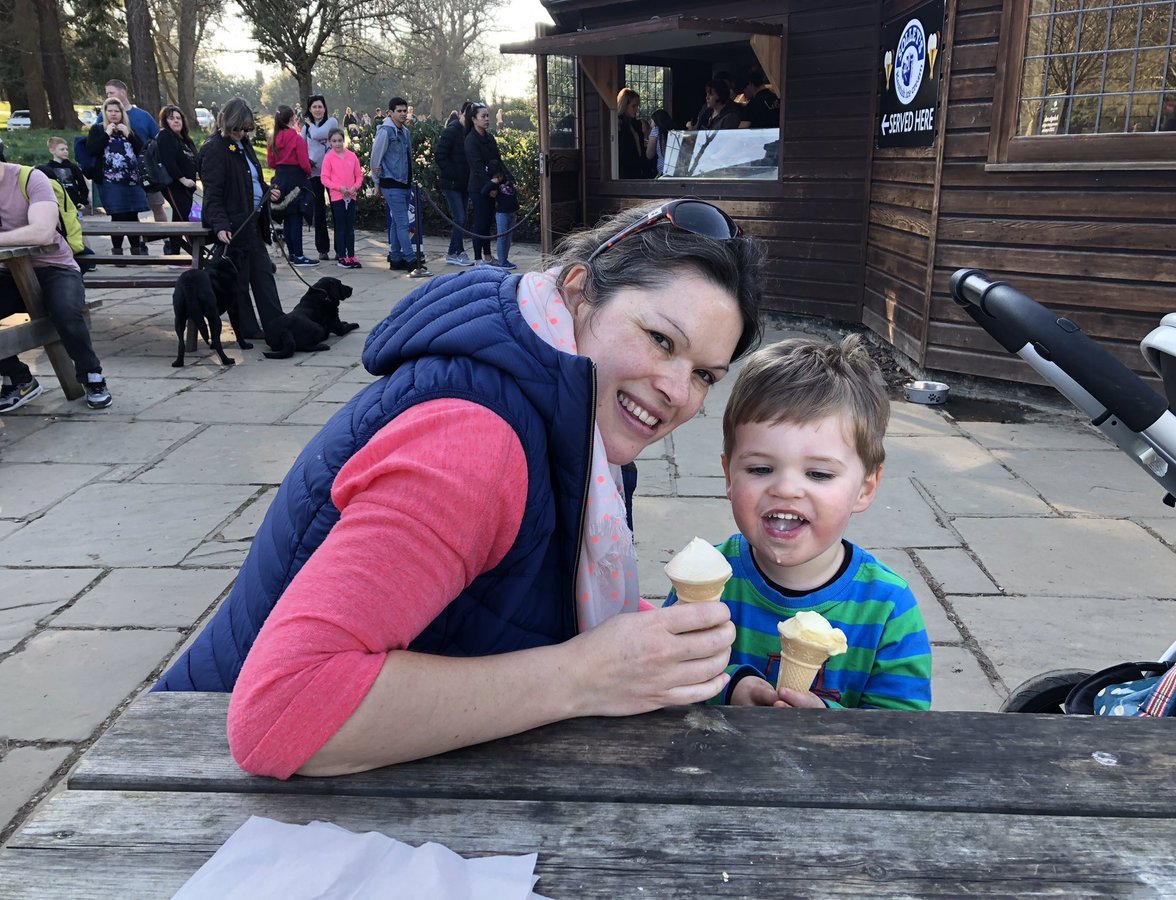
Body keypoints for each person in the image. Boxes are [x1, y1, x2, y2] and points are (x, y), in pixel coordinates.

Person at [153, 199, 764, 779]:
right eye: (662, 340)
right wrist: (583, 676)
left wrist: (692, 671)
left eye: (705, 375)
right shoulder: (476, 445)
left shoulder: (581, 406)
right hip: (198, 804)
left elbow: (531, 597)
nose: (679, 392)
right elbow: (279, 714)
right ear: (579, 292)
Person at [665, 336, 932, 711]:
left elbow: (905, 730)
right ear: (728, 476)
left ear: (864, 488)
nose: (787, 489)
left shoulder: (888, 609)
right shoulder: (707, 580)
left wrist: (827, 722)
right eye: (760, 468)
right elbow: (665, 675)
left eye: (819, 474)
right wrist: (731, 686)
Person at [0, 162, 111, 411]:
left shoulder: (30, 179)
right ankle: (18, 378)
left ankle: (92, 375)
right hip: (7, 273)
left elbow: (42, 233)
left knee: (65, 312)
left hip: (55, 268)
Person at [200, 97, 285, 338]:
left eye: (246, 128)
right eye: (238, 128)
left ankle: (276, 323)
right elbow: (213, 194)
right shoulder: (214, 149)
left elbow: (252, 179)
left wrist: (268, 190)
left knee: (263, 275)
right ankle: (247, 329)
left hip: (253, 222)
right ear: (228, 122)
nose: (242, 132)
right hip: (234, 226)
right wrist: (220, 225)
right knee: (239, 281)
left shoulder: (244, 144)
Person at [85, 98, 148, 256]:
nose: (113, 114)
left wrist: (129, 135)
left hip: (132, 180)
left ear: (122, 113)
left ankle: (136, 251)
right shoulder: (98, 129)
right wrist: (107, 134)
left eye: (117, 111)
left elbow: (143, 150)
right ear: (105, 113)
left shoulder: (128, 129)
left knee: (133, 215)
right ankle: (117, 253)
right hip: (110, 181)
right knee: (118, 215)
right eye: (110, 111)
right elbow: (92, 149)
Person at [105, 79, 168, 226]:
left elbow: (158, 138)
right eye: (107, 93)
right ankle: (139, 244)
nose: (108, 96)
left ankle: (168, 239)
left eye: (111, 92)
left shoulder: (143, 116)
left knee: (157, 204)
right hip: (121, 173)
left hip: (147, 169)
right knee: (130, 210)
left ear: (123, 92)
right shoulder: (105, 116)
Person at [369, 96, 418, 272]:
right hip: (391, 184)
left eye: (405, 111)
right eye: (399, 111)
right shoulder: (385, 132)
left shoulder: (405, 132)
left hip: (404, 183)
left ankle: (396, 258)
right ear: (390, 113)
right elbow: (375, 159)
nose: (403, 114)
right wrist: (376, 183)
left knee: (398, 223)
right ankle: (411, 259)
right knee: (404, 224)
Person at [267, 105, 318, 267]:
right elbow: (304, 162)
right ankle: (299, 256)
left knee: (287, 218)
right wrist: (308, 172)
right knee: (295, 218)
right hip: (296, 179)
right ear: (292, 119)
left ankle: (292, 253)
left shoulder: (273, 138)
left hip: (280, 179)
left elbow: (271, 163)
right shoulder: (296, 139)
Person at [155, 105, 199, 257]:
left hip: (188, 187)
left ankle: (175, 254)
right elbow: (169, 161)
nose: (176, 121)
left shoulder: (185, 139)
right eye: (171, 118)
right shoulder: (165, 136)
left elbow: (196, 160)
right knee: (182, 220)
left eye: (178, 118)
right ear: (165, 121)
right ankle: (191, 253)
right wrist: (182, 179)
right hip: (174, 185)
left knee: (178, 219)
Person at [434, 103, 472, 266]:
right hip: (451, 183)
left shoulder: (470, 132)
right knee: (460, 217)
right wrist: (454, 174)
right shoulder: (451, 130)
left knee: (462, 218)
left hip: (464, 183)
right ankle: (455, 251)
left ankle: (455, 251)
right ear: (462, 114)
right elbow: (440, 155)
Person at [463, 101, 501, 265]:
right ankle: (478, 259)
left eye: (487, 115)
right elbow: (477, 167)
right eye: (483, 116)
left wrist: (498, 181)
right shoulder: (470, 140)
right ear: (474, 119)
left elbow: (497, 160)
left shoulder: (489, 137)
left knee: (488, 222)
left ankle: (488, 255)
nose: (487, 119)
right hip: (478, 188)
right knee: (480, 223)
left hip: (492, 184)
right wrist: (489, 186)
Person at [321, 127, 363, 269]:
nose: (337, 144)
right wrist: (339, 188)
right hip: (337, 197)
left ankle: (351, 255)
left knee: (349, 227)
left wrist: (354, 187)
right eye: (334, 141)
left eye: (340, 140)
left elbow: (359, 176)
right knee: (340, 227)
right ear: (329, 142)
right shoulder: (329, 158)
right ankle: (342, 256)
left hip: (351, 196)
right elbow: (324, 178)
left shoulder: (352, 156)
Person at [302, 94, 335, 261]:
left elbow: (318, 134)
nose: (317, 110)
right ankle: (322, 249)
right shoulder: (306, 128)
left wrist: (308, 124)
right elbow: (302, 146)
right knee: (319, 211)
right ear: (310, 109)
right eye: (314, 107)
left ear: (325, 108)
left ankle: (342, 249)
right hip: (314, 173)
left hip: (333, 173)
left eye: (320, 106)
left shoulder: (332, 122)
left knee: (337, 210)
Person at [38, 137, 90, 210]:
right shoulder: (47, 168)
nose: (65, 151)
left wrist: (82, 201)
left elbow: (83, 186)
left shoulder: (73, 167)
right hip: (56, 204)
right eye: (62, 149)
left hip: (74, 204)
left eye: (66, 149)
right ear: (52, 150)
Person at [484, 158, 518, 270]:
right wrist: (492, 183)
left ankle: (505, 259)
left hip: (511, 211)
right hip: (502, 213)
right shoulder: (494, 184)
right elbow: (484, 191)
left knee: (508, 238)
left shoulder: (507, 178)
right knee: (502, 237)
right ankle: (502, 261)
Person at [616, 88, 647, 179]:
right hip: (625, 171)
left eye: (638, 106)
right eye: (633, 106)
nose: (636, 109)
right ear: (624, 105)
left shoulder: (636, 124)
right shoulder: (618, 124)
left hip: (638, 168)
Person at [646, 109, 675, 177]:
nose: (651, 124)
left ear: (655, 122)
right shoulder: (673, 130)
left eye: (651, 121)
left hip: (663, 170)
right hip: (674, 168)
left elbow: (649, 155)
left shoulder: (655, 130)